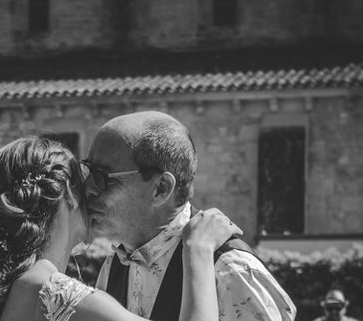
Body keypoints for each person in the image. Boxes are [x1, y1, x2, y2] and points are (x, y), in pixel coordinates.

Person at [0, 136, 242, 321]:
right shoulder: (63, 298)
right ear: (67, 193)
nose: (94, 193)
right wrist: (198, 251)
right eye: (86, 181)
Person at [85, 111, 297, 321]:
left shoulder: (231, 270)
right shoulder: (113, 266)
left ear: (161, 188)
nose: (88, 188)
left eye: (102, 177)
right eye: (86, 170)